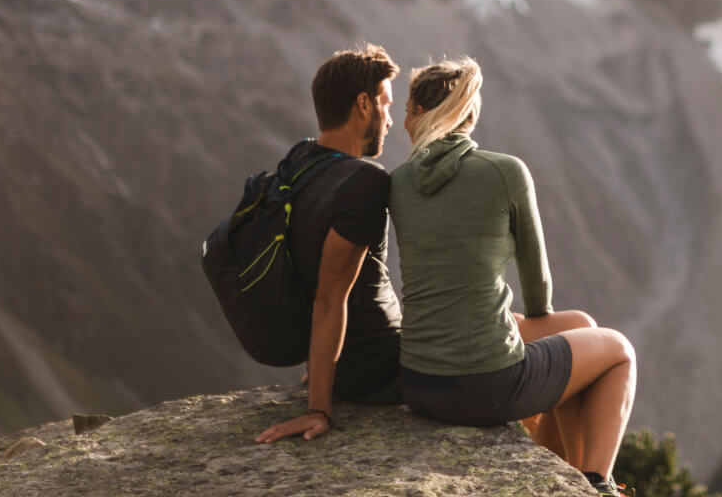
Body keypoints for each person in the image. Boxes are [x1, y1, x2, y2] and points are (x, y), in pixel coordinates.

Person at [390, 57, 639, 496]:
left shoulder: (400, 183)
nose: (402, 118)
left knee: (580, 326)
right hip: (484, 387)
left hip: (419, 381)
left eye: (408, 108)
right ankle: (595, 485)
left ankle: (560, 473)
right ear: (469, 112)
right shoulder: (504, 172)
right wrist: (535, 317)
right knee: (618, 352)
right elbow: (537, 282)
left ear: (420, 116)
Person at [256, 44, 405, 444]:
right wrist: (318, 410)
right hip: (385, 369)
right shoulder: (364, 182)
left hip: (347, 366)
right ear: (363, 104)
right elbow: (330, 298)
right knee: (575, 336)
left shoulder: (298, 163)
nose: (390, 120)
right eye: (386, 105)